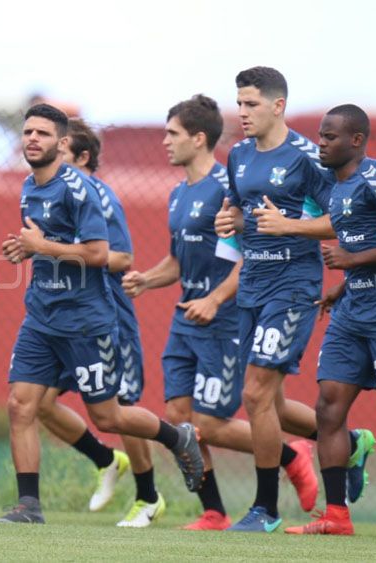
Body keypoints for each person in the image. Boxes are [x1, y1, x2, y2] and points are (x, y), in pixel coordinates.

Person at [0, 103, 204, 525]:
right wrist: (24, 250)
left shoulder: (81, 190)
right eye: (28, 132)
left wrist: (42, 248)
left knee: (108, 415)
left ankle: (178, 438)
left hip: (86, 321)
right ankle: (28, 506)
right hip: (41, 317)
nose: (33, 139)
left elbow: (100, 254)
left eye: (43, 134)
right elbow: (43, 245)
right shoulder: (28, 188)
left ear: (63, 144)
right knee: (21, 405)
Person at [124, 94, 317, 531]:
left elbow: (248, 254)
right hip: (184, 317)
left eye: (172, 133)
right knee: (178, 418)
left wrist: (216, 299)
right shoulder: (178, 193)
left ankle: (291, 454)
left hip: (223, 319)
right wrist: (145, 280)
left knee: (209, 424)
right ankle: (213, 511)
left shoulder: (227, 185)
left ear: (198, 138)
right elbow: (177, 262)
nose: (164, 141)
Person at [214, 67, 371, 532]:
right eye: (239, 104)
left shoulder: (307, 157)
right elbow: (244, 214)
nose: (242, 113)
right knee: (272, 404)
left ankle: (265, 509)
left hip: (293, 286)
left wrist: (290, 227)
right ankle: (353, 440)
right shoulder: (238, 156)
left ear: (277, 106)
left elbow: (342, 219)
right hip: (253, 286)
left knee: (255, 393)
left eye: (252, 104)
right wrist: (232, 223)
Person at [285, 105, 376, 535]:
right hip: (351, 316)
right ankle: (336, 516)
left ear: (356, 140)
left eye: (330, 137)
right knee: (328, 409)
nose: (321, 142)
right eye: (320, 135)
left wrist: (352, 259)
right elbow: (371, 243)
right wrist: (342, 285)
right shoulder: (335, 190)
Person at [35, 117, 159, 527]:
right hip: (63, 319)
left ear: (82, 156)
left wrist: (62, 251)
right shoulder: (52, 194)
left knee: (120, 406)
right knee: (38, 402)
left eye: (63, 152)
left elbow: (121, 258)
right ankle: (105, 459)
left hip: (106, 318)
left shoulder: (101, 197)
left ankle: (149, 497)